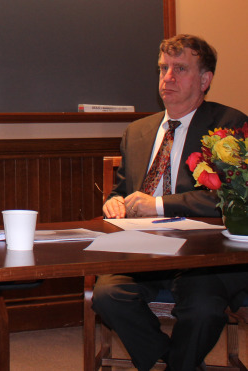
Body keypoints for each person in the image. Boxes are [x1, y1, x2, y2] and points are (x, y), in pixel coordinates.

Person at [93, 34, 248, 371]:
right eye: (163, 68)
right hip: (140, 251)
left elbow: (228, 200)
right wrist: (114, 203)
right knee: (107, 295)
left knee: (204, 308)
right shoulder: (137, 132)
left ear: (205, 80)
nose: (167, 78)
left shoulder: (229, 126)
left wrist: (159, 205)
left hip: (202, 256)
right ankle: (175, 361)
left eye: (180, 69)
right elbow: (122, 190)